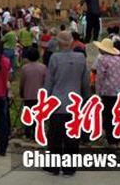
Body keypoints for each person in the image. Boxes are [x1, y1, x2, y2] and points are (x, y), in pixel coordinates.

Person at [43, 31, 90, 176]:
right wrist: (86, 99)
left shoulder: (54, 58)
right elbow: (85, 82)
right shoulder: (81, 58)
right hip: (75, 103)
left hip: (57, 102)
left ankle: (54, 166)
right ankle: (69, 168)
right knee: (72, 137)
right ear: (71, 42)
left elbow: (49, 82)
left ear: (58, 43)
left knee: (55, 137)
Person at [94, 37, 120, 146]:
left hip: (108, 92)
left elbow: (100, 77)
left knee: (108, 116)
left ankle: (111, 141)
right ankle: (118, 139)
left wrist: (98, 92)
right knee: (119, 116)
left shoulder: (102, 59)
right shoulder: (119, 59)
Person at [18, 46, 47, 140]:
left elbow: (22, 82)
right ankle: (36, 134)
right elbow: (46, 82)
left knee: (28, 115)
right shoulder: (43, 67)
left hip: (28, 94)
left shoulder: (25, 68)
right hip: (40, 96)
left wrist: (21, 92)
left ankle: (27, 134)